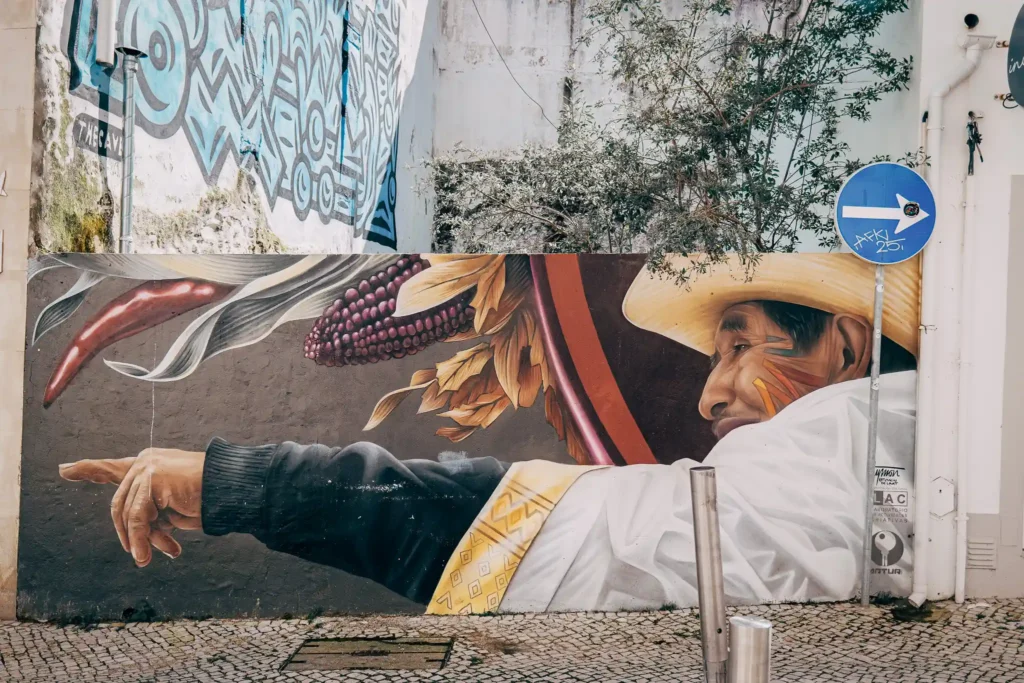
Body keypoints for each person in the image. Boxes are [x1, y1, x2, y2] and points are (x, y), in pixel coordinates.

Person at [59, 254, 919, 614]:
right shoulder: (896, 436)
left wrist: (251, 484)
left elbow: (567, 530)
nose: (709, 393)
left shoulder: (843, 432)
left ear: (843, 346)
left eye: (737, 345)